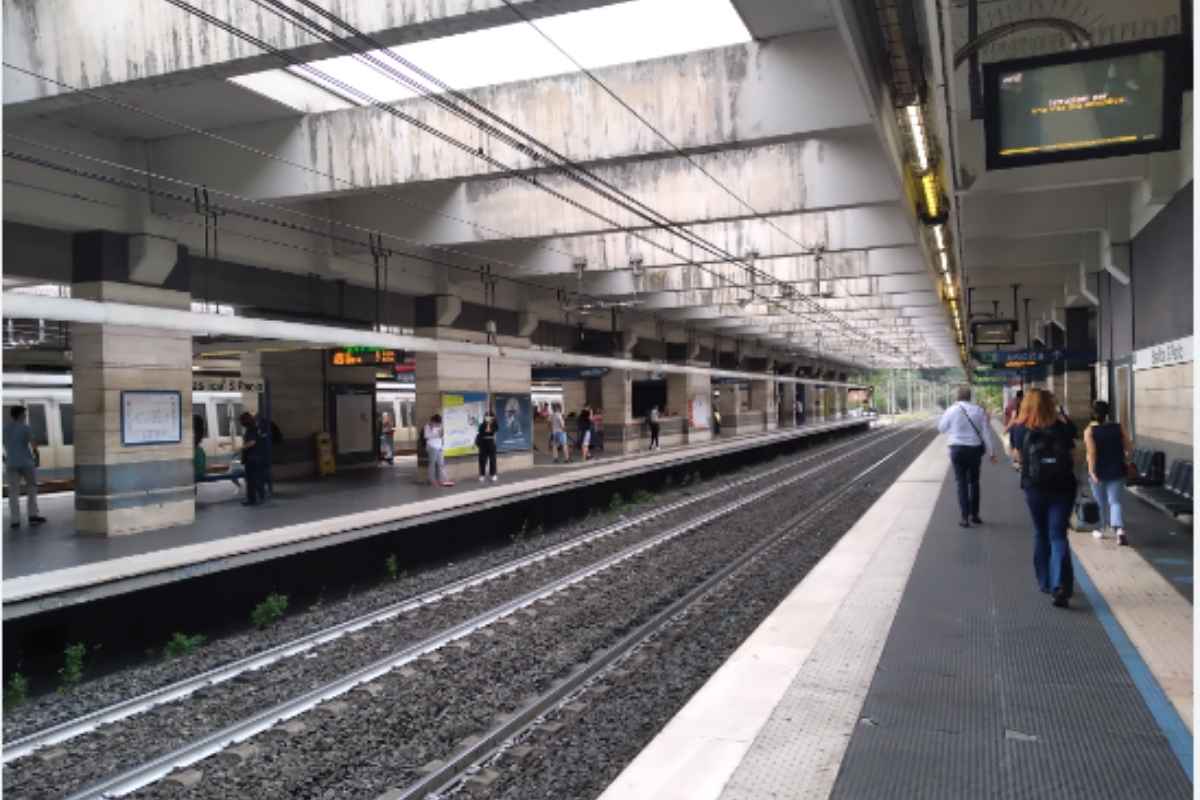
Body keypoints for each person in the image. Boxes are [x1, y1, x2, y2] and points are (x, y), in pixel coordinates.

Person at [1010, 389, 1078, 608]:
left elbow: (1017, 457)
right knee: (1058, 534)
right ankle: (1061, 585)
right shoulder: (1064, 427)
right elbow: (1074, 457)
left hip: (1035, 488)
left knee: (1041, 533)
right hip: (1063, 487)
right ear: (1051, 405)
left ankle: (1046, 582)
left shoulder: (1019, 429)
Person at [937, 385, 997, 528]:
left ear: (957, 397)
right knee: (974, 482)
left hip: (957, 449)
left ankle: (964, 517)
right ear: (970, 396)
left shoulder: (951, 410)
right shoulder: (979, 410)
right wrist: (992, 452)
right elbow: (986, 433)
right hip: (974, 450)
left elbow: (941, 428)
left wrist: (955, 428)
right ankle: (975, 515)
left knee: (961, 483)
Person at [1084, 400, 1132, 545]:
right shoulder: (1118, 427)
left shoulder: (1090, 431)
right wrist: (1126, 459)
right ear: (1108, 413)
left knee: (1100, 502)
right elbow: (1129, 447)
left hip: (1098, 470)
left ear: (1093, 413)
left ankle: (1101, 528)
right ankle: (1119, 530)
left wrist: (1092, 472)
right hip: (1117, 469)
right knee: (1115, 501)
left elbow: (1092, 453)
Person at [4, 406, 46, 529]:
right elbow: (33, 444)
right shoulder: (25, 428)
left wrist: (5, 458)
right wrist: (37, 457)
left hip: (11, 463)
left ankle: (15, 520)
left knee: (13, 492)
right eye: (25, 414)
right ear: (21, 415)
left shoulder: (4, 429)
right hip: (26, 462)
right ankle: (32, 515)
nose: (26, 416)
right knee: (32, 488)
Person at [424, 414, 453, 487]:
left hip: (439, 447)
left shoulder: (440, 426)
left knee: (441, 464)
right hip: (432, 446)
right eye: (437, 423)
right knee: (432, 464)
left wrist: (442, 445)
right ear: (433, 421)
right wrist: (435, 434)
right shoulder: (428, 426)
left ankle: (442, 480)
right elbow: (426, 436)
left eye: (439, 423)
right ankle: (432, 480)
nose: (438, 424)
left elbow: (442, 436)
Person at [477, 410, 499, 482]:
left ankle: (493, 474)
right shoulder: (482, 425)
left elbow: (495, 429)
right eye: (486, 416)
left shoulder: (494, 424)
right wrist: (486, 425)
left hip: (491, 443)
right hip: (483, 444)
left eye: (489, 417)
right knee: (482, 460)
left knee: (492, 460)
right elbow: (481, 432)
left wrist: (490, 425)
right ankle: (482, 475)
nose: (488, 418)